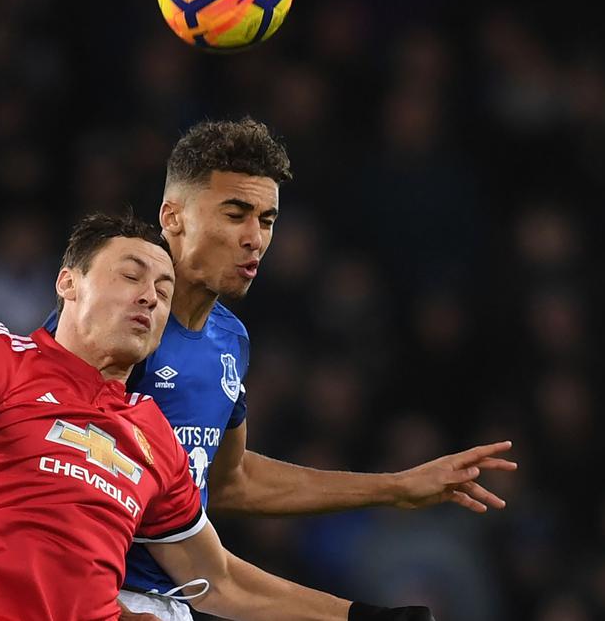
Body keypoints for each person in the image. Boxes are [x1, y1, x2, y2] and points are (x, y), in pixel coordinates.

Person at [46, 118, 517, 619]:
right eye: (235, 213)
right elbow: (40, 466)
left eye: (267, 220)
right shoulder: (117, 322)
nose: (255, 239)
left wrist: (396, 487)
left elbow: (230, 482)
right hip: (88, 598)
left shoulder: (229, 340)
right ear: (173, 216)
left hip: (174, 600)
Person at [0, 212, 437, 621]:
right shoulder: (0, 357)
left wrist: (357, 616)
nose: (150, 298)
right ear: (68, 284)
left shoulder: (150, 434)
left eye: (163, 289)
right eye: (131, 276)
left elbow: (222, 580)